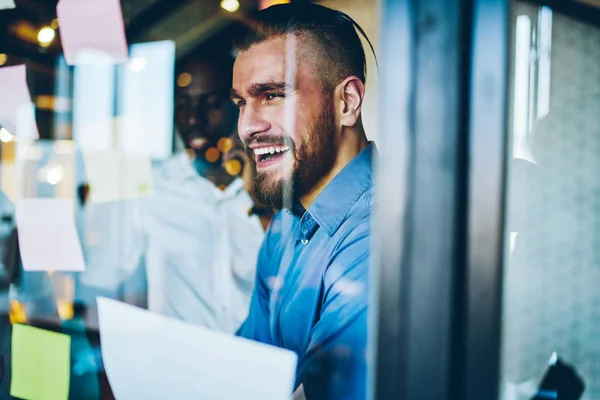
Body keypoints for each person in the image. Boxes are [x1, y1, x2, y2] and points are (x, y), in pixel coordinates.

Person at [231, 3, 375, 399]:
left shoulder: (384, 234)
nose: (246, 127)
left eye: (273, 95)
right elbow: (247, 374)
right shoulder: (283, 226)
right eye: (242, 103)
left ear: (346, 102)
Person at [78, 46, 265, 333]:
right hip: (178, 366)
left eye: (211, 103)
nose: (194, 119)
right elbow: (102, 282)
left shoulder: (269, 190)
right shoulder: (149, 188)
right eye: (182, 105)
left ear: (237, 105)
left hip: (262, 365)